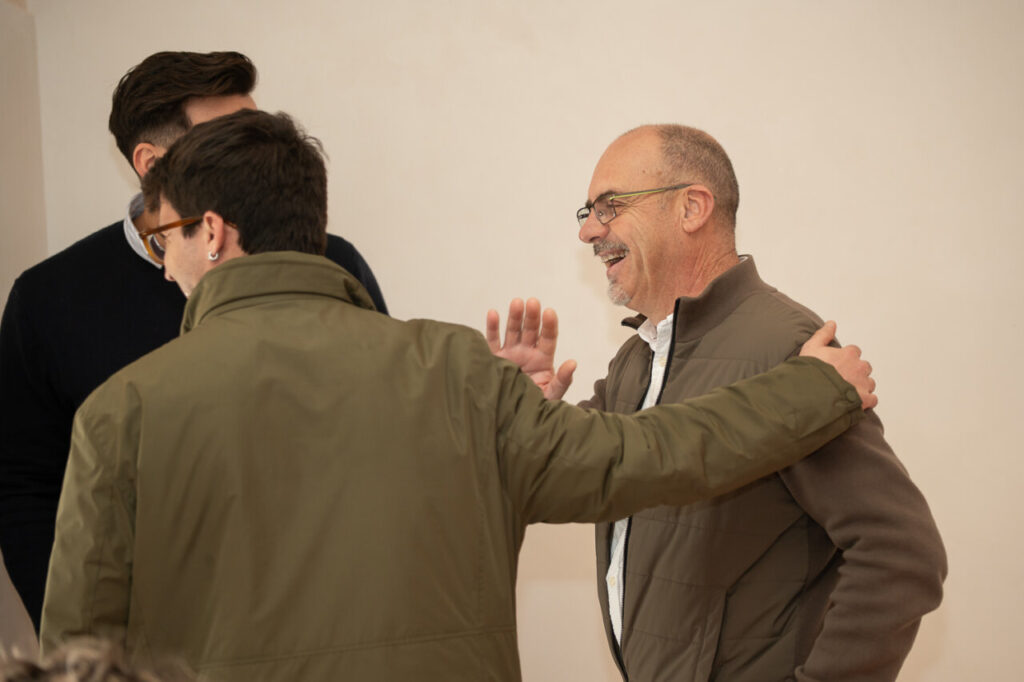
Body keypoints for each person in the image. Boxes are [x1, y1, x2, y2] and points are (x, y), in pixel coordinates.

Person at [40, 110, 875, 681]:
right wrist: (814, 391)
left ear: (212, 232)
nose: (162, 263)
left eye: (163, 237)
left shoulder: (121, 413)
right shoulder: (456, 372)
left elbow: (78, 657)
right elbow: (649, 455)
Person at [491, 124, 946, 681]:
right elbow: (587, 471)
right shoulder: (638, 358)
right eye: (586, 211)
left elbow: (902, 555)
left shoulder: (788, 350)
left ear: (691, 207)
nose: (588, 231)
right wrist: (528, 416)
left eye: (609, 206)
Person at [0, 51, 387, 628]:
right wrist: (86, 651)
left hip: (326, 616)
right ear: (151, 162)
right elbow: (24, 489)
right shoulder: (49, 299)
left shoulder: (331, 261)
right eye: (231, 134)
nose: (258, 149)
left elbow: (384, 422)